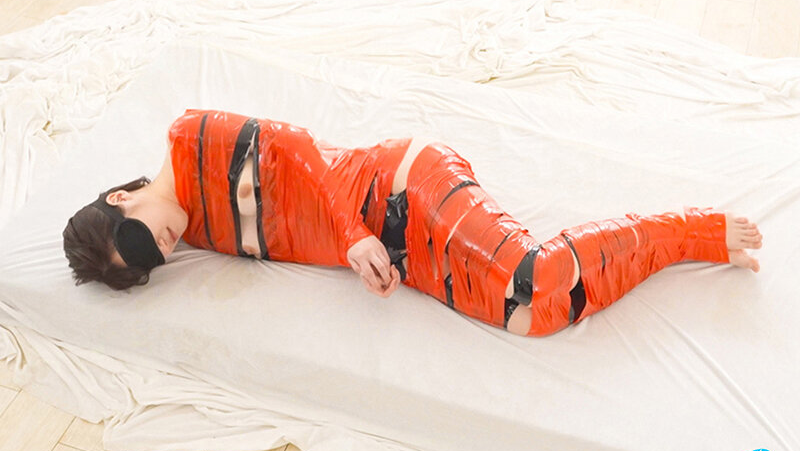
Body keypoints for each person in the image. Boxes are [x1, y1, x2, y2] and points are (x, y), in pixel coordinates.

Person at [63, 109, 763, 337]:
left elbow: (297, 147)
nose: (161, 249)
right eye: (148, 264)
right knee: (534, 316)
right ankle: (671, 248)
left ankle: (694, 230)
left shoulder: (187, 138)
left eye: (138, 239)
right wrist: (363, 254)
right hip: (396, 251)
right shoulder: (193, 230)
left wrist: (353, 236)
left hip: (399, 184)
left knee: (535, 272)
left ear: (120, 198)